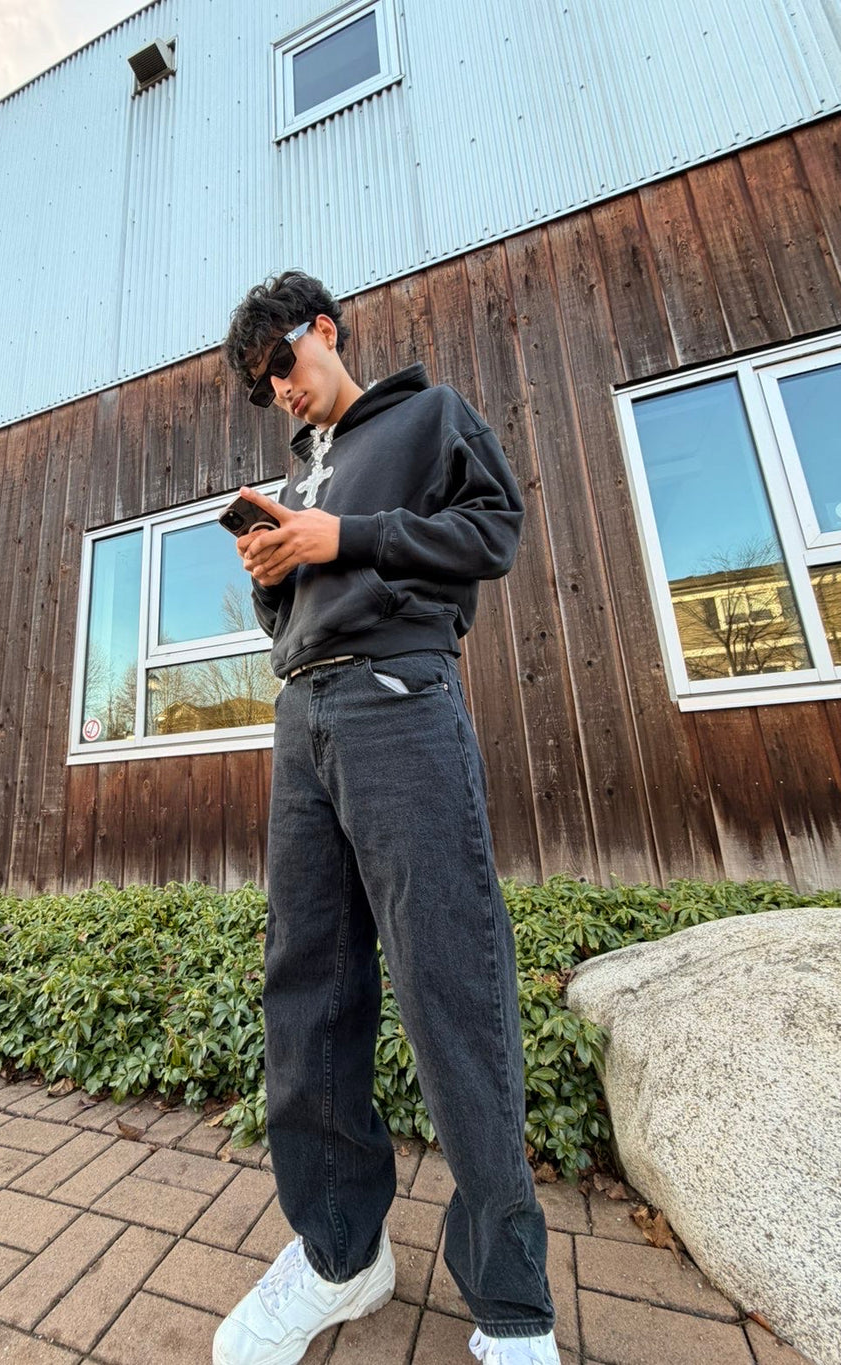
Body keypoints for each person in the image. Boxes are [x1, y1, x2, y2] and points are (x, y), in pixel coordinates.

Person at [213, 270, 558, 1365]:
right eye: (263, 390)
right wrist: (276, 563)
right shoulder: (300, 470)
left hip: (399, 697)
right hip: (303, 714)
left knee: (449, 973)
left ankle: (510, 1305)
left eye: (283, 366)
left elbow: (490, 531)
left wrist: (340, 537)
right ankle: (339, 1255)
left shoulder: (427, 416)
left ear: (323, 330)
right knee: (306, 983)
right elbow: (294, 605)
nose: (281, 394)